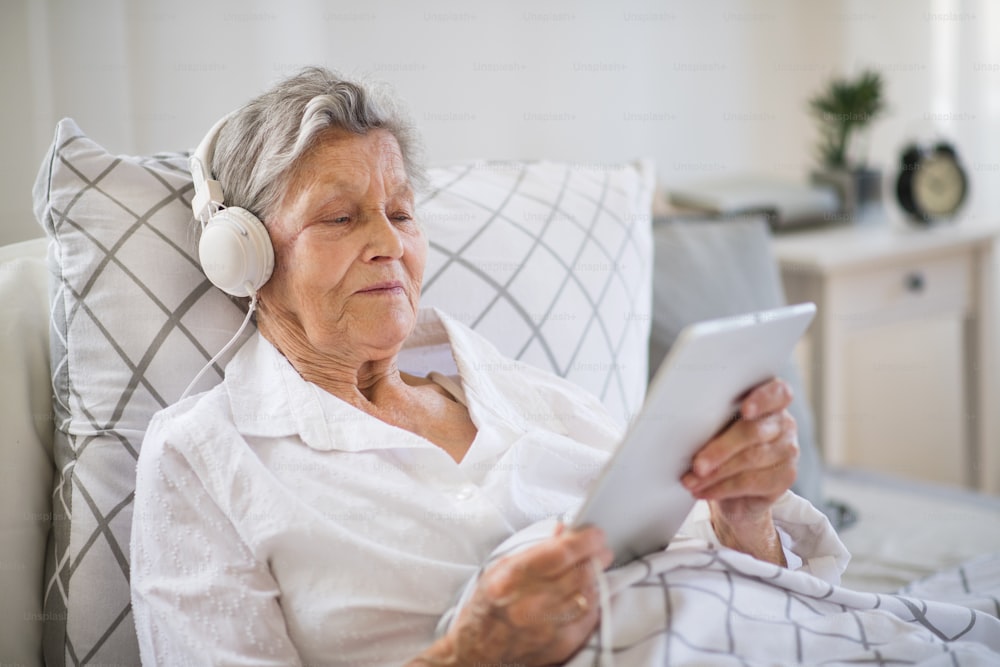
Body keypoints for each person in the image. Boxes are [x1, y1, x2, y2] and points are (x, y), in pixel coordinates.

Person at [130, 67, 821, 667]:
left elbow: (746, 593)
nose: (388, 243)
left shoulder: (529, 395)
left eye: (400, 211)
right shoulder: (205, 456)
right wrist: (473, 654)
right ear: (245, 254)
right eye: (340, 218)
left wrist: (743, 519)